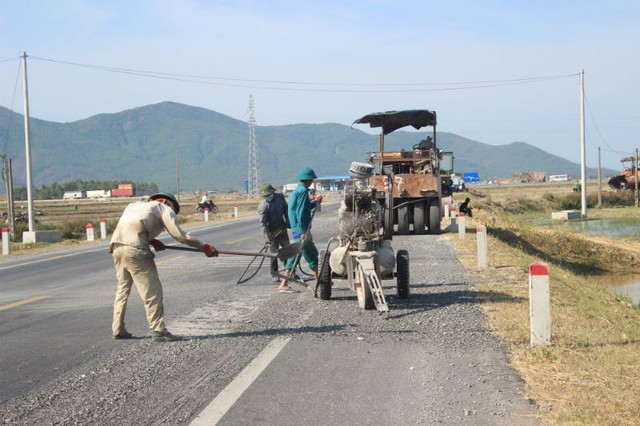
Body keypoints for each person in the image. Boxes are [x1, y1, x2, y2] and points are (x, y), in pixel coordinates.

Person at [110, 193, 218, 342]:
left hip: (116, 247)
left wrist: (152, 240)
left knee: (122, 289)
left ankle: (117, 329)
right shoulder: (164, 208)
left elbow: (132, 227)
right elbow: (179, 235)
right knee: (152, 292)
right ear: (169, 203)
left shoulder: (134, 205)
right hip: (136, 250)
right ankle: (158, 330)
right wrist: (203, 246)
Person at [280, 167, 322, 293]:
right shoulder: (303, 191)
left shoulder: (297, 191)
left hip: (297, 228)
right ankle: (284, 283)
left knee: (302, 254)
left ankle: (318, 279)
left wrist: (314, 202)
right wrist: (304, 231)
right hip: (301, 229)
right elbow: (302, 212)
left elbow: (303, 207)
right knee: (309, 254)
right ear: (309, 180)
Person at [257, 184, 290, 283]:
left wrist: (287, 223)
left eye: (269, 195)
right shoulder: (263, 207)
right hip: (272, 232)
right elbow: (263, 224)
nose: (268, 197)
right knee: (273, 254)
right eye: (265, 196)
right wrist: (267, 238)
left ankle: (289, 271)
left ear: (272, 192)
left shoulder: (280, 197)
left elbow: (286, 210)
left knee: (287, 251)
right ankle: (275, 273)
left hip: (282, 228)